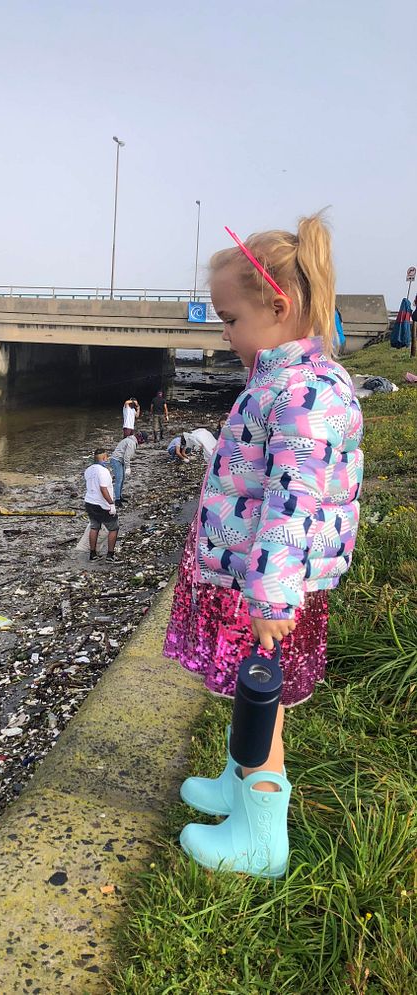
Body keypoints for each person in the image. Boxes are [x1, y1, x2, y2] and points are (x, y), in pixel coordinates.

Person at [164, 213, 363, 878]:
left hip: (264, 584)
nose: (223, 334)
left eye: (228, 319)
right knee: (249, 696)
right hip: (252, 574)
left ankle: (259, 837)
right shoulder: (282, 373)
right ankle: (234, 780)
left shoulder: (302, 393)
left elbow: (293, 502)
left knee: (262, 705)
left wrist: (273, 593)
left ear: (277, 306)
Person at [83, 448, 119, 560]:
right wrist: (111, 504)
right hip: (101, 504)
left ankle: (92, 554)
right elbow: (103, 489)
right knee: (113, 528)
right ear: (104, 458)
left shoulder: (88, 470)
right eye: (106, 457)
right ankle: (110, 555)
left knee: (94, 527)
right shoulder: (103, 471)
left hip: (89, 502)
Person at [109, 431, 147, 505]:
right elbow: (127, 456)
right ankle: (117, 500)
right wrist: (128, 467)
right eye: (143, 440)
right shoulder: (131, 442)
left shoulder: (131, 440)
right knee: (119, 479)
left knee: (122, 479)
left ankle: (119, 496)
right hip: (117, 460)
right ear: (140, 438)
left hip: (121, 460)